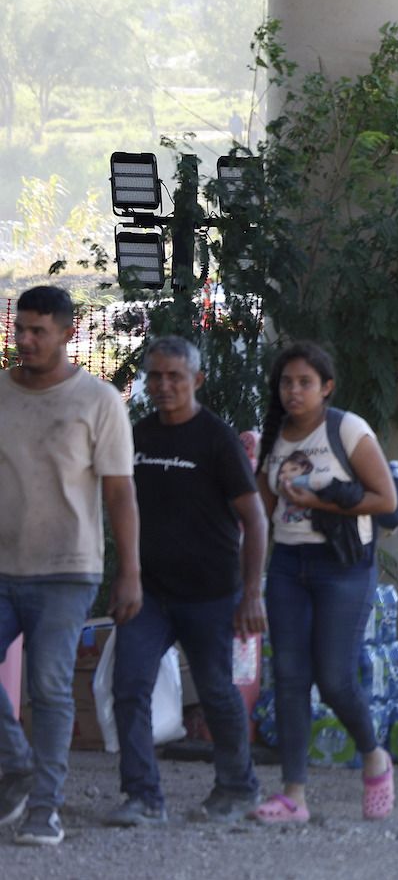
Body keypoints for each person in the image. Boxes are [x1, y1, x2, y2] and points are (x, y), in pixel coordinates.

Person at [0, 285, 139, 847]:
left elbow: (121, 493)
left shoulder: (98, 401)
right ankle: (17, 763)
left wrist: (129, 571)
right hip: (3, 565)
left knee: (51, 686)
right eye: (20, 328)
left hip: (66, 568)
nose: (26, 340)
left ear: (67, 332)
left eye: (39, 330)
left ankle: (45, 808)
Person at [109, 337, 265, 828]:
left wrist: (251, 592)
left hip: (212, 594)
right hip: (149, 592)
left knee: (218, 692)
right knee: (129, 685)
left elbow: (256, 520)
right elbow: (119, 505)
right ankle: (143, 796)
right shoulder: (138, 435)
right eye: (155, 376)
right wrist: (126, 575)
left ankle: (237, 787)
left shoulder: (216, 439)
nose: (163, 385)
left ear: (196, 380)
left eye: (174, 376)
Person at [252, 342, 398, 826]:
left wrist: (319, 505)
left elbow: (384, 499)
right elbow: (262, 514)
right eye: (286, 382)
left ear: (326, 387)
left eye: (305, 382)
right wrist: (250, 579)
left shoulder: (346, 429)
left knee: (335, 677)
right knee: (290, 678)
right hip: (289, 564)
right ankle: (293, 794)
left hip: (343, 564)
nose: (294, 391)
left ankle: (374, 757)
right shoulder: (273, 435)